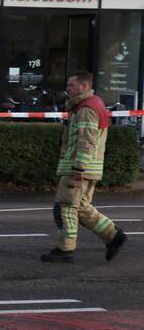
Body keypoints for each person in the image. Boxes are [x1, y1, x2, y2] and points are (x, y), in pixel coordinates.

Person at [40, 71, 128, 263]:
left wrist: (79, 168)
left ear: (83, 86)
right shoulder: (90, 105)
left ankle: (65, 249)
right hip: (86, 168)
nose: (67, 89)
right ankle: (113, 236)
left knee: (65, 207)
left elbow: (86, 141)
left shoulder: (87, 108)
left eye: (71, 85)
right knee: (80, 207)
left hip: (78, 169)